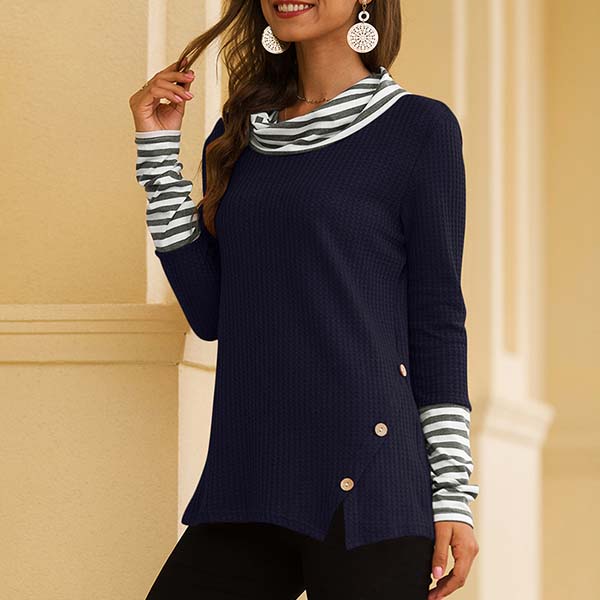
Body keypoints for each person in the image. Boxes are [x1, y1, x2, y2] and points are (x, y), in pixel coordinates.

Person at [129, 1, 480, 598]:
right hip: (251, 474)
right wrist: (158, 155)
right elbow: (211, 312)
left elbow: (437, 320)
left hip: (371, 483)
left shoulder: (419, 128)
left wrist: (453, 495)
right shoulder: (239, 132)